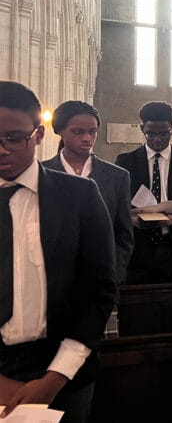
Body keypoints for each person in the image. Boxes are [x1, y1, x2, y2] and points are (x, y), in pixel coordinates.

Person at [0, 81, 116, 422]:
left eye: (14, 138)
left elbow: (99, 290)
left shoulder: (79, 196)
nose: (3, 150)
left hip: (66, 370)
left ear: (37, 134)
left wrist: (55, 377)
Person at [115, 101, 172, 306]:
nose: (157, 139)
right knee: (134, 309)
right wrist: (130, 218)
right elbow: (115, 206)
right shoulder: (125, 162)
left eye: (163, 134)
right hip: (136, 250)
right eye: (150, 134)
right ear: (142, 129)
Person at [41, 101, 133, 285]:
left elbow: (123, 234)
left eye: (92, 132)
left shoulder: (117, 177)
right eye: (78, 132)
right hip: (49, 280)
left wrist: (114, 277)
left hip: (99, 279)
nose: (87, 138)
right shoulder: (41, 174)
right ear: (60, 131)